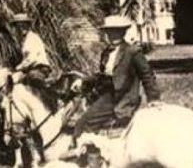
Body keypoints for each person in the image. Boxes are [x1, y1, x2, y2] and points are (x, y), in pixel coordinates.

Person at [71, 15, 161, 160]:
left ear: (123, 32)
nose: (112, 35)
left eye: (116, 31)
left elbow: (147, 74)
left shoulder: (132, 52)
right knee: (80, 119)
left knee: (85, 122)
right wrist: (83, 81)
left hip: (122, 97)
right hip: (107, 93)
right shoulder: (107, 52)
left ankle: (90, 160)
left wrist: (153, 98)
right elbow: (102, 76)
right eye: (109, 32)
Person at [9, 13, 54, 96]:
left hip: (39, 68)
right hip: (32, 69)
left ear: (27, 26)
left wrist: (18, 68)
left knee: (21, 81)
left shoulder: (32, 38)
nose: (21, 29)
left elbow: (31, 59)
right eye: (18, 26)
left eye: (23, 25)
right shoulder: (24, 40)